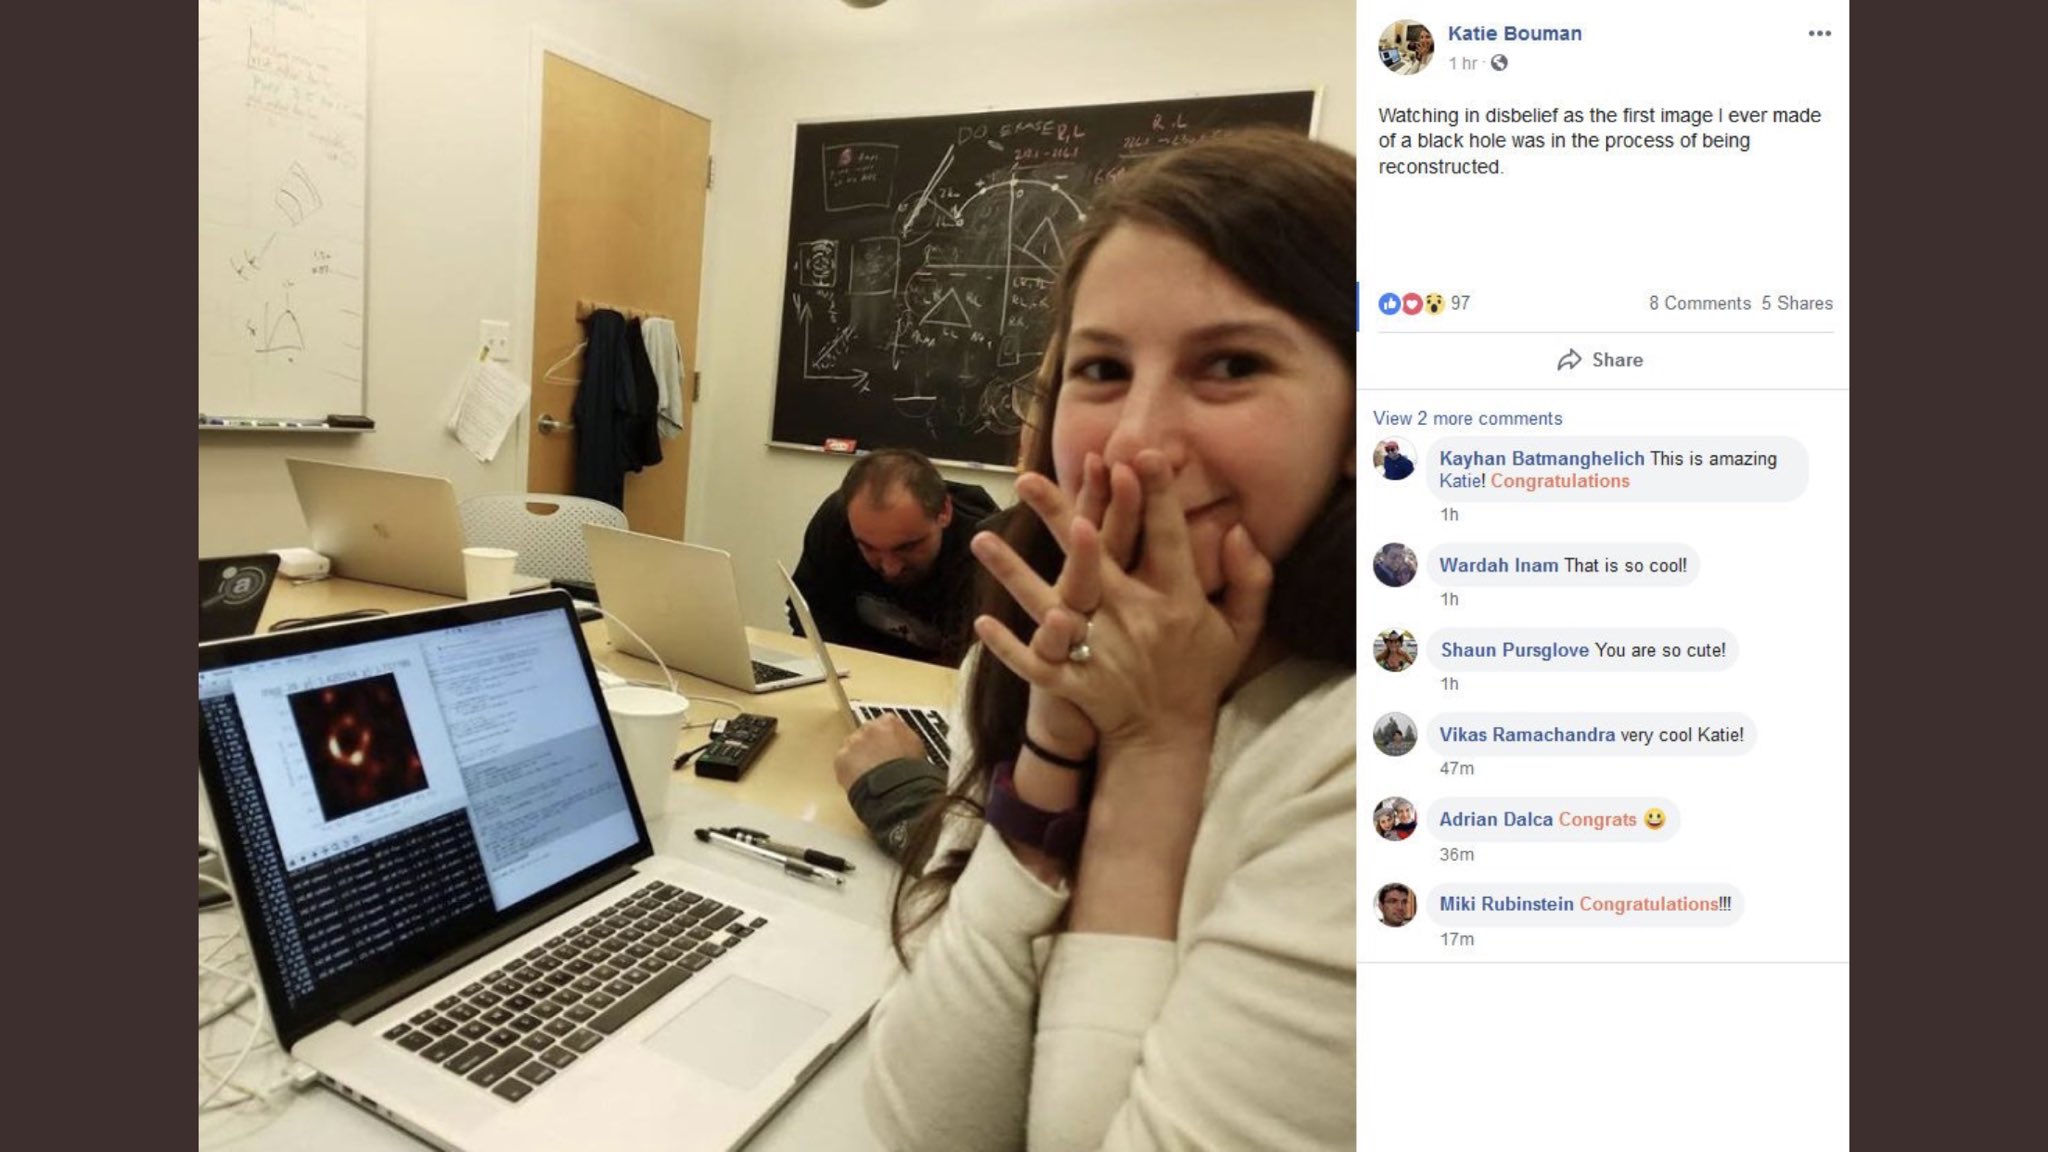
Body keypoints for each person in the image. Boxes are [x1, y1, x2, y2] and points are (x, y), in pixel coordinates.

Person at [862, 128, 1358, 1150]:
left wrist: (1153, 749)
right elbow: (926, 1126)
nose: (1134, 440)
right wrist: (1047, 759)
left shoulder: (1366, 766)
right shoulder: (1026, 660)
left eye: (1230, 364)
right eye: (1100, 368)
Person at [787, 447, 998, 666]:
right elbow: (808, 614)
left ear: (944, 512)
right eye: (868, 548)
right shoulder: (835, 524)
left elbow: (974, 668)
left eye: (907, 547)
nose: (891, 568)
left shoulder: (988, 551)